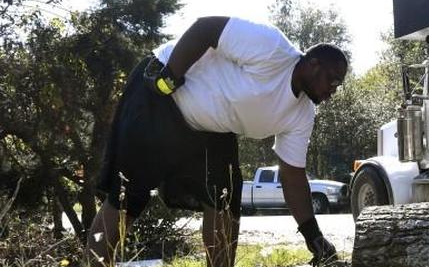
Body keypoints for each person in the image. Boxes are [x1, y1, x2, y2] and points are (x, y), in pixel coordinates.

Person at [86, 16, 348, 267]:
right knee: (128, 195)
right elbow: (205, 29)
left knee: (226, 200)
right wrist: (169, 77)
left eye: (338, 87)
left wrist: (313, 237)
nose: (332, 92)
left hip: (213, 128)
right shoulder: (272, 47)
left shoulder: (302, 115)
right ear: (314, 64)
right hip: (161, 96)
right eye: (332, 81)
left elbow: (292, 175)